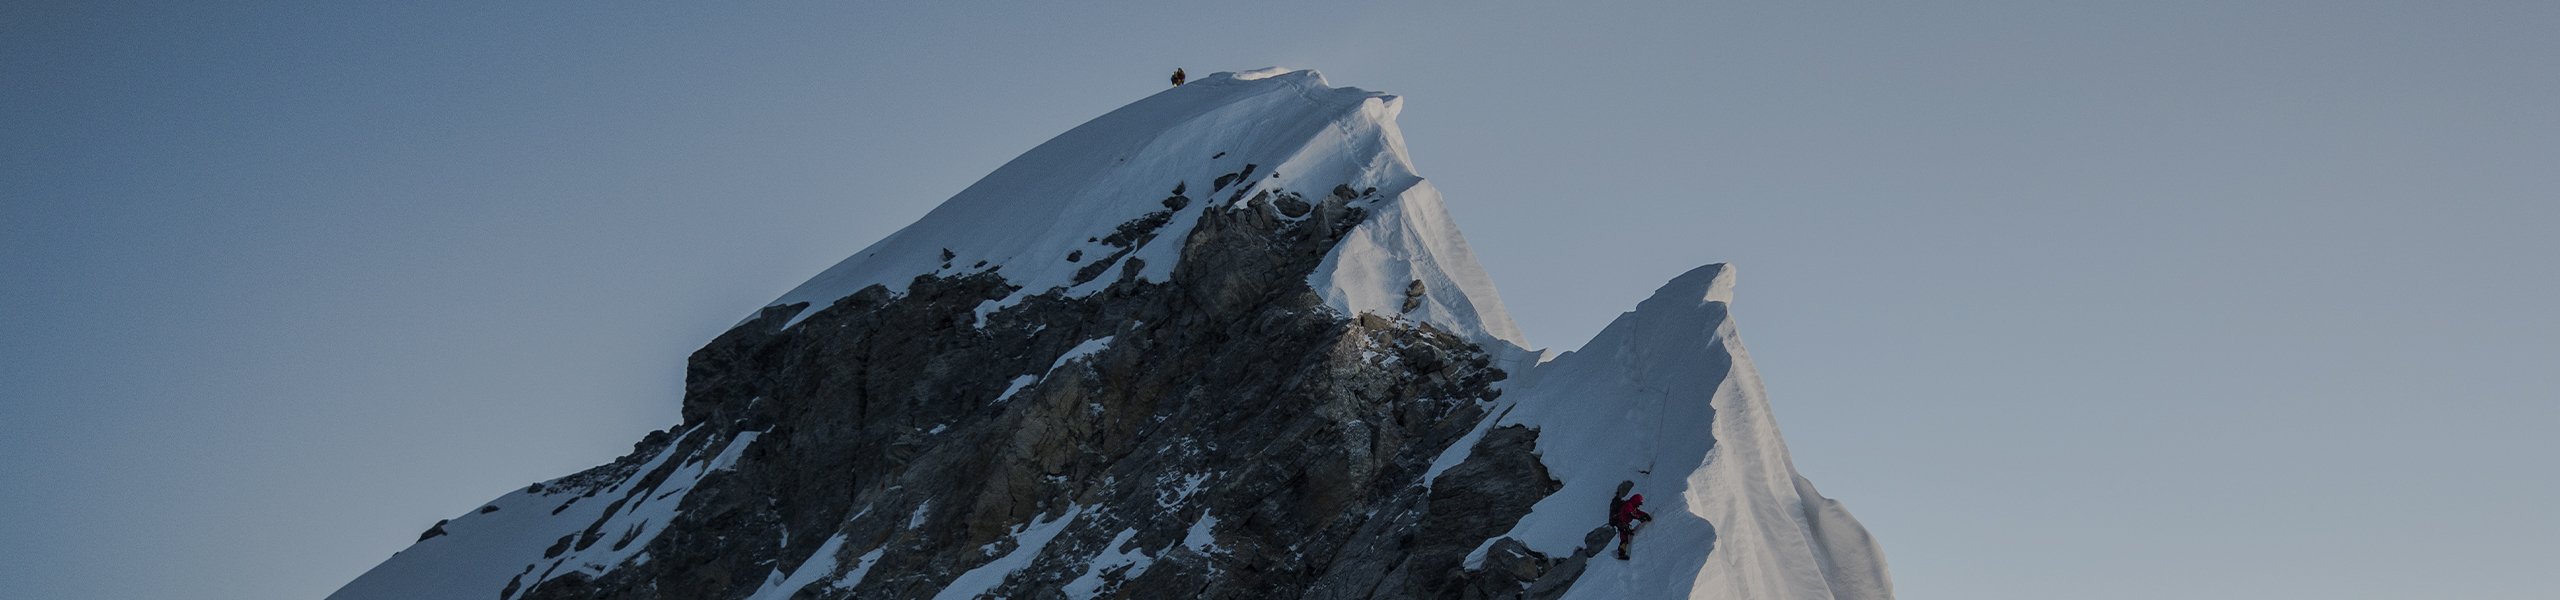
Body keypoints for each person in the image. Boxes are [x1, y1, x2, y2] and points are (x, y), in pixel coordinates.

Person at [1610, 493, 1653, 560]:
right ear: (1636, 501)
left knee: (1624, 536)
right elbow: (1631, 514)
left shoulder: (1632, 506)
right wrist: (1640, 517)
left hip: (1623, 523)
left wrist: (1645, 515)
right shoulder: (1629, 505)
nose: (1639, 505)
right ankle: (1621, 553)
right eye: (1639, 503)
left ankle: (1621, 550)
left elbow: (1637, 512)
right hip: (1621, 523)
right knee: (1624, 537)